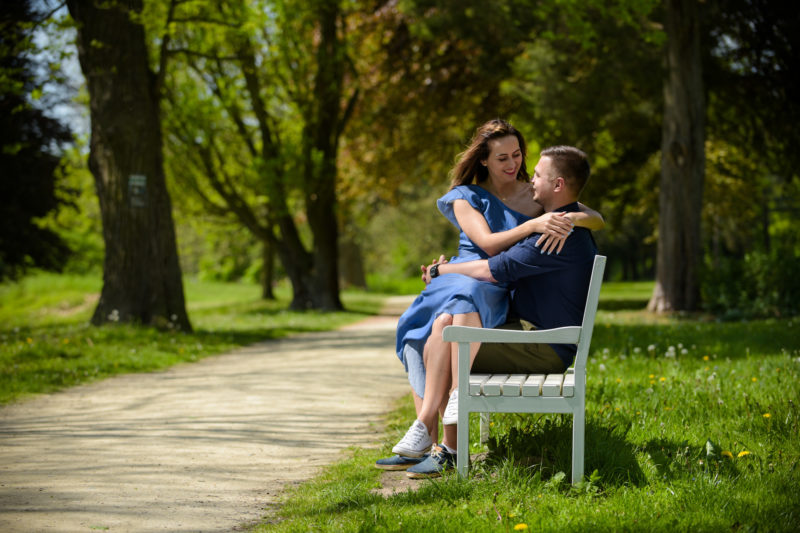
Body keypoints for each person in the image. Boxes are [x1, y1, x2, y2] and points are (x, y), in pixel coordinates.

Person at [379, 120, 604, 471]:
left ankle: (441, 445)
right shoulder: (468, 196)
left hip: (491, 284)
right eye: (502, 158)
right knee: (425, 333)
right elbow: (484, 247)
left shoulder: (537, 199)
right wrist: (442, 271)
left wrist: (574, 220)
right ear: (483, 159)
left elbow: (586, 211)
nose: (514, 165)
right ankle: (431, 440)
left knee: (448, 329)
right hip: (467, 275)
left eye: (517, 155)